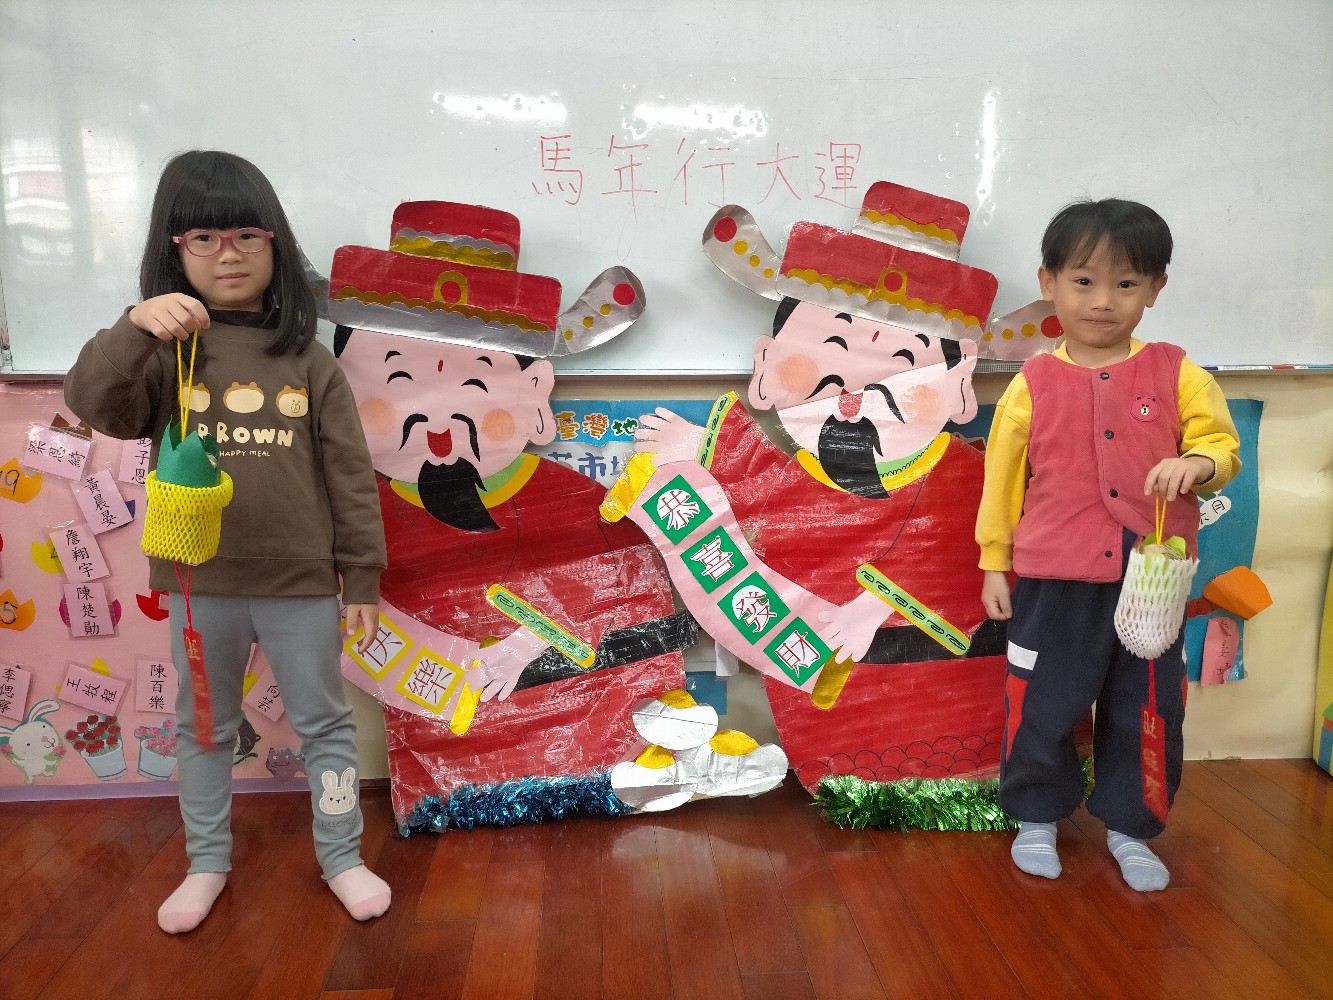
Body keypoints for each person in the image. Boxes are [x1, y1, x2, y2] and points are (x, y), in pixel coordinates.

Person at [64, 150, 391, 932]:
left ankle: (341, 856)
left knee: (325, 726)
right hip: (195, 582)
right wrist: (135, 326)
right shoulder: (161, 355)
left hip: (301, 585)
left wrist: (362, 577)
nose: (229, 253)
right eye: (203, 237)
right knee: (204, 730)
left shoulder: (310, 363)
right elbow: (94, 403)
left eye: (247, 234)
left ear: (276, 244)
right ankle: (206, 863)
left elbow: (350, 478)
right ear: (173, 250)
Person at [622, 182, 1011, 792]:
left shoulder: (968, 474)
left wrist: (876, 606)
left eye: (903, 367)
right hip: (832, 718)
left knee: (960, 757)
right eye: (832, 347)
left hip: (954, 695)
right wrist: (703, 450)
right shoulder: (800, 474)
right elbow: (783, 504)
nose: (855, 390)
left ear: (960, 388)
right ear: (766, 364)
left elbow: (962, 553)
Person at [328, 201, 693, 829]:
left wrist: (538, 638)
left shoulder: (577, 500)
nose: (437, 419)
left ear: (536, 397)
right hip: (445, 771)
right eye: (400, 382)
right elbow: (333, 610)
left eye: (475, 387)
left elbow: (642, 598)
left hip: (591, 758)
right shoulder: (358, 513)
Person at [976, 198, 1241, 891]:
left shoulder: (1178, 372)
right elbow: (1001, 481)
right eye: (1083, 281)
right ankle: (1036, 816)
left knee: (1145, 707)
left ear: (1154, 289)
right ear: (1049, 283)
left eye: (1125, 284)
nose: (1102, 301)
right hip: (1054, 577)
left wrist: (1199, 463)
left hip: (1149, 580)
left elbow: (1219, 444)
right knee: (1041, 701)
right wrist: (994, 562)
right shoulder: (1032, 383)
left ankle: (1132, 826)